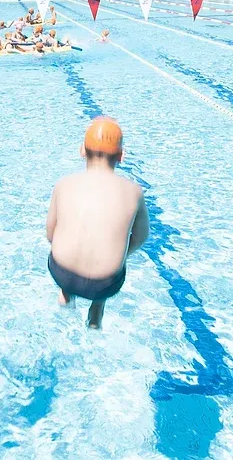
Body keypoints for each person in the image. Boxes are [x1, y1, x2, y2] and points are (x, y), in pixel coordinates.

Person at [46, 117, 149, 329]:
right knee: (113, 260)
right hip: (105, 284)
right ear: (121, 156)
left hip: (61, 273)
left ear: (82, 150)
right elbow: (141, 236)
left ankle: (66, 293)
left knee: (65, 245)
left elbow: (50, 234)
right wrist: (121, 255)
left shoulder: (64, 184)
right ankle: (97, 308)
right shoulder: (134, 192)